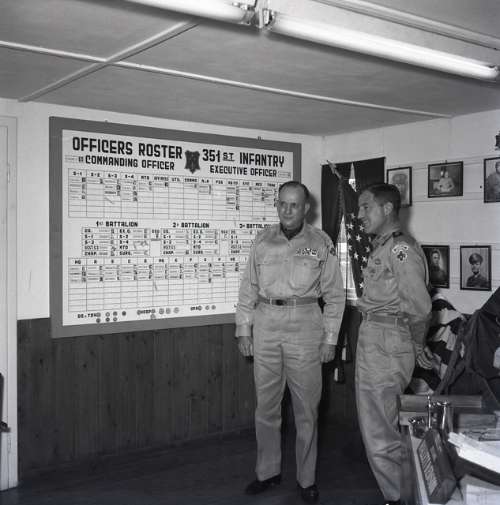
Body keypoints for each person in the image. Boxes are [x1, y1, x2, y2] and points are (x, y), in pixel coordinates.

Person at [235, 180, 345, 504]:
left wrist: (330, 339)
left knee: (306, 410)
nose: (287, 210)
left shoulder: (320, 243)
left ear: (306, 208)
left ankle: (306, 479)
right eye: (282, 203)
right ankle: (267, 472)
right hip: (266, 324)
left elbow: (335, 297)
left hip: (305, 326)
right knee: (266, 408)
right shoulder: (262, 241)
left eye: (294, 204)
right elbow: (248, 288)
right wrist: (244, 330)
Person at [356, 183, 432, 505]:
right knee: (384, 427)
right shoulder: (384, 246)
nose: (360, 215)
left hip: (385, 342)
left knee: (379, 432)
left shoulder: (400, 249)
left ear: (387, 209)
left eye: (366, 207)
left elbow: (419, 307)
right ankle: (405, 493)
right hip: (377, 337)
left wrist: (417, 344)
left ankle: (399, 498)